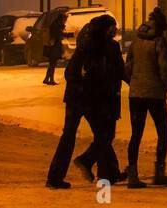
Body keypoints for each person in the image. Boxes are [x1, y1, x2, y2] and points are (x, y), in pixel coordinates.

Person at [46, 15, 123, 188]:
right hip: (93, 98)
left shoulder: (84, 46)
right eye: (113, 28)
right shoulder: (110, 47)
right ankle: (96, 166)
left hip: (77, 98)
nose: (115, 31)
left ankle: (55, 176)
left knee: (72, 136)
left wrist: (79, 85)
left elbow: (69, 73)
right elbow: (119, 71)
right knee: (103, 134)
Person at [123, 6, 167, 188]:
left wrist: (135, 82)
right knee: (162, 132)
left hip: (136, 93)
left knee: (136, 134)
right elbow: (164, 69)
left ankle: (133, 174)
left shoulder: (136, 41)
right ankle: (159, 172)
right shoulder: (159, 41)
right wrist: (163, 87)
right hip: (155, 94)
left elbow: (127, 67)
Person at [41, 9, 65, 85]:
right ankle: (51, 79)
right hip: (54, 47)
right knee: (52, 64)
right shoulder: (57, 26)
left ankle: (47, 79)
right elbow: (57, 36)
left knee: (52, 63)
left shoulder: (55, 25)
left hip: (52, 47)